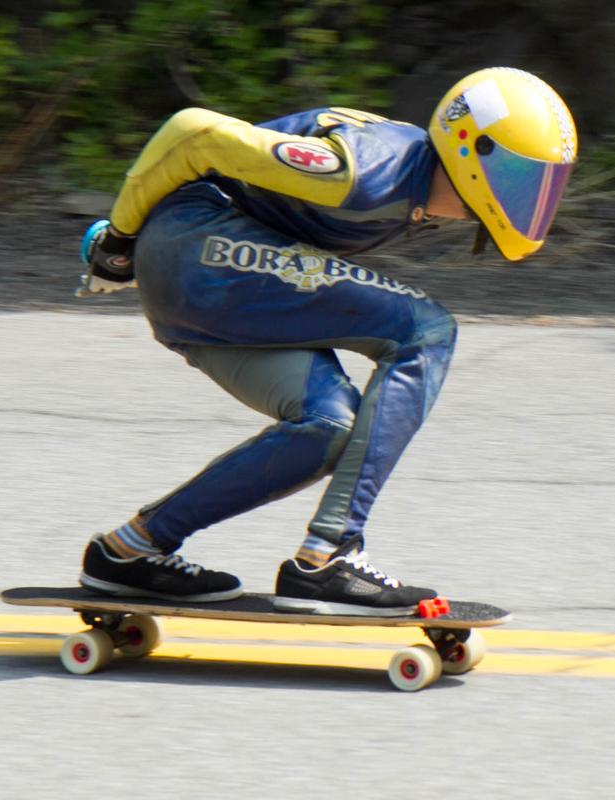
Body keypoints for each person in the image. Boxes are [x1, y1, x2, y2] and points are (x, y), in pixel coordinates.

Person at [75, 67, 578, 614]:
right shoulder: (363, 174)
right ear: (472, 152)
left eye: (543, 184)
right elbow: (194, 132)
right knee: (426, 331)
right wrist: (120, 241)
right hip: (202, 250)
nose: (529, 197)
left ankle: (130, 551)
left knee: (327, 425)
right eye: (522, 176)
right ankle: (327, 557)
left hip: (209, 277)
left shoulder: (414, 185)